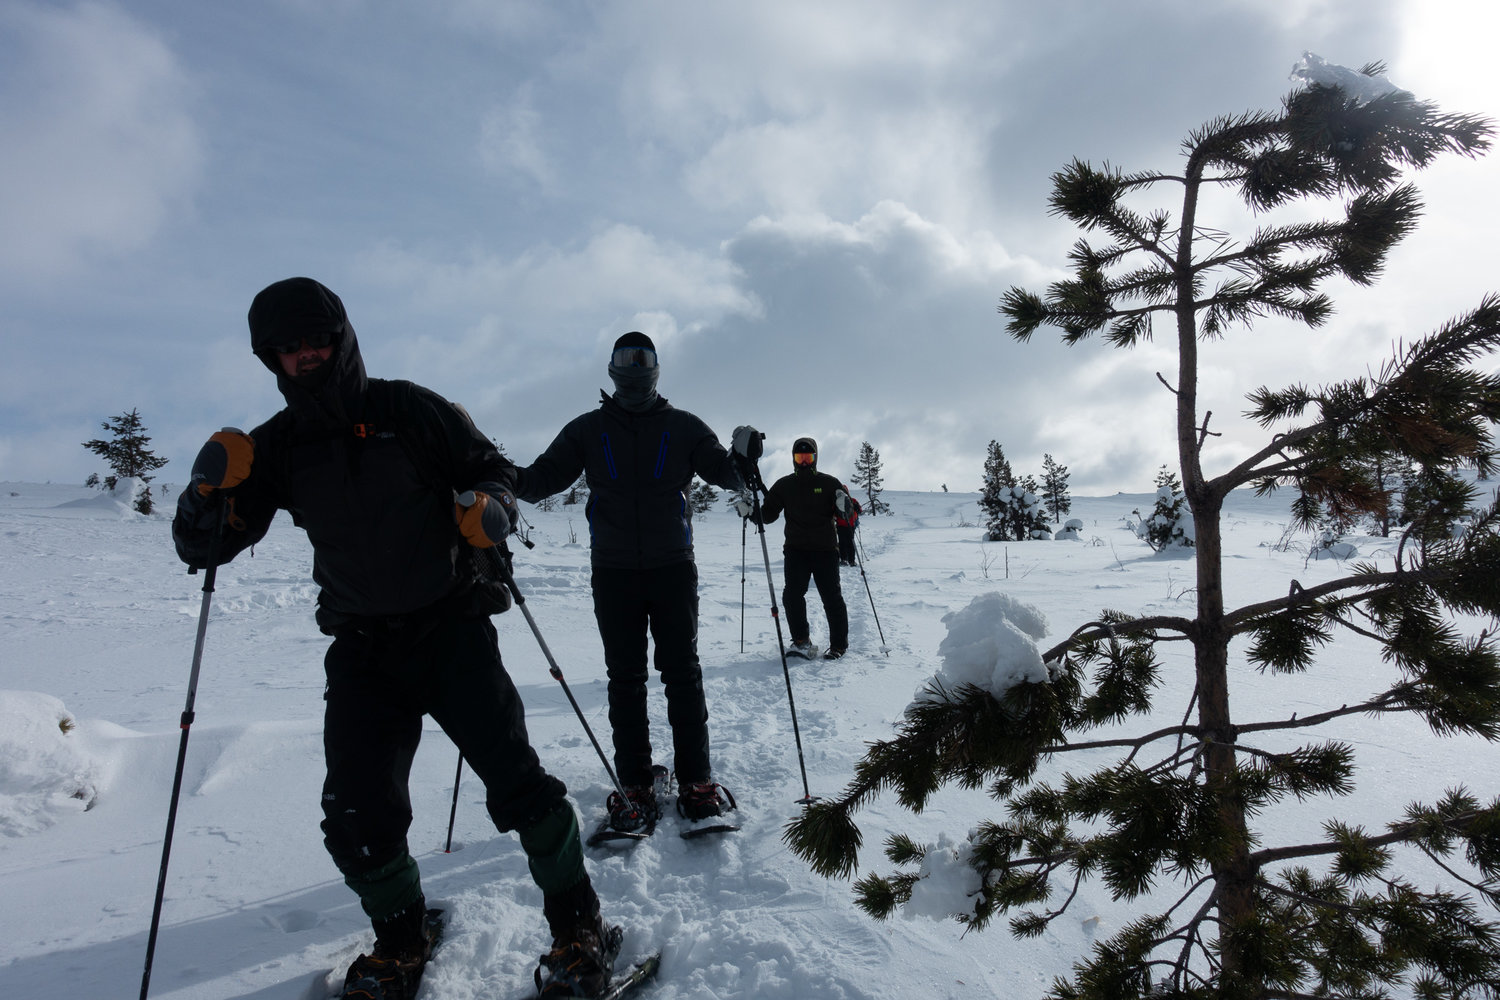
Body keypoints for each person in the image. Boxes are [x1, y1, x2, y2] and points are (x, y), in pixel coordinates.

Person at [172, 277, 616, 1000]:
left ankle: (578, 925)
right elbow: (207, 548)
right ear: (270, 358)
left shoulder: (409, 410)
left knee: (519, 787)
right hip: (362, 648)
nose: (307, 355)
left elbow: (494, 470)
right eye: (289, 347)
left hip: (451, 627)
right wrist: (205, 496)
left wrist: (493, 506)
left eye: (318, 339)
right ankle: (400, 939)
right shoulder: (275, 447)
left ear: (342, 337)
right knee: (355, 812)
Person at [513, 331, 757, 833]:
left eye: (641, 359)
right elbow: (539, 481)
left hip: (672, 568)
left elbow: (723, 472)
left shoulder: (684, 426)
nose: (634, 368)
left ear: (655, 368)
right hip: (614, 571)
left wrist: (743, 462)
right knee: (626, 678)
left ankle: (697, 782)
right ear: (611, 369)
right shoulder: (588, 429)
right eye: (625, 359)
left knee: (681, 672)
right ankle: (636, 784)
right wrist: (490, 470)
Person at [754, 437, 852, 661]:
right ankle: (801, 641)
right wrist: (752, 511)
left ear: (815, 458)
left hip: (825, 550)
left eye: (808, 458)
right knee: (791, 596)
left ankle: (838, 645)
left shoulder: (829, 483)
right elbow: (768, 515)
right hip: (796, 551)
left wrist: (844, 505)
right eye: (800, 457)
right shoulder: (785, 485)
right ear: (793, 459)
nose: (804, 462)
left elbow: (846, 514)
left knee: (831, 597)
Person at [835, 492, 862, 567]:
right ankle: (852, 561)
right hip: (851, 525)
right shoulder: (852, 500)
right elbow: (860, 510)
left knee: (842, 542)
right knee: (851, 542)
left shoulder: (836, 501)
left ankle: (843, 559)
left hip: (840, 525)